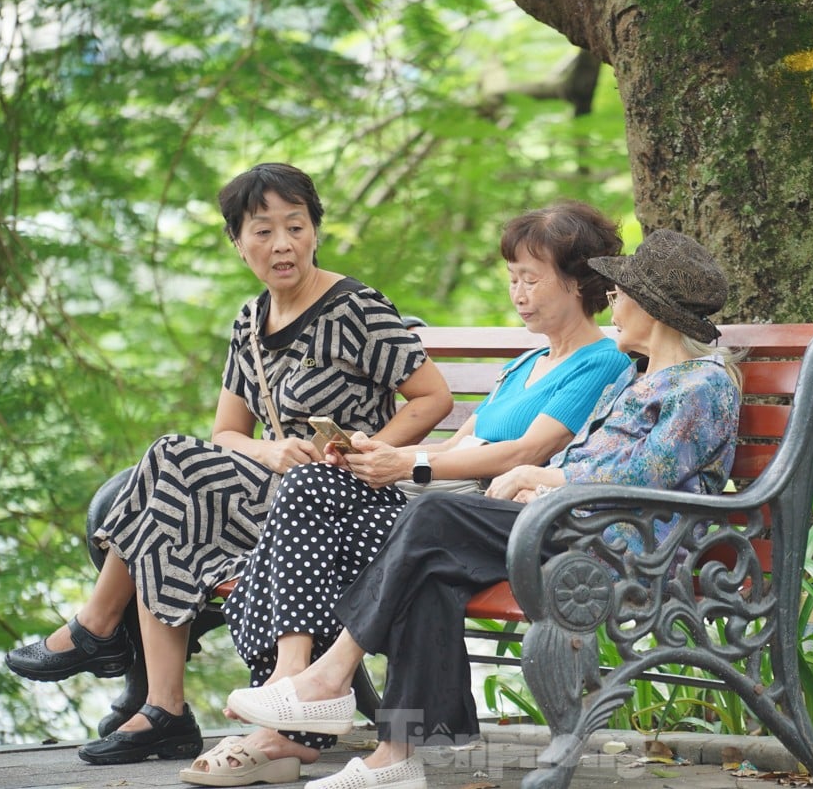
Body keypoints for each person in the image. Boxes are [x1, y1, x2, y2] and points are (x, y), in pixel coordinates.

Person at [220, 228, 743, 789]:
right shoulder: (638, 381)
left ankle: (329, 677)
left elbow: (645, 473)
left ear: (653, 310)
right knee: (433, 569)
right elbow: (589, 460)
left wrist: (541, 475)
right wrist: (538, 485)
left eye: (621, 294)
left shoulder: (703, 384)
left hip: (624, 541)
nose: (611, 302)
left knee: (430, 520)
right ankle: (395, 758)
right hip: (570, 520)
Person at [4, 163, 454, 765]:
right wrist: (268, 448)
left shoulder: (356, 308)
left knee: (169, 468)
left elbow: (433, 397)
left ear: (315, 232)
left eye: (295, 227)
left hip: (345, 499)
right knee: (170, 477)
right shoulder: (248, 323)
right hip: (271, 491)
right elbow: (226, 434)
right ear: (239, 244)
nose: (282, 244)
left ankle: (103, 637)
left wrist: (371, 452)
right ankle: (157, 702)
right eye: (262, 231)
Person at [178, 201, 632, 786]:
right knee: (319, 482)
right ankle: (334, 714)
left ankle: (310, 702)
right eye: (512, 277)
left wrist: (409, 468)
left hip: (502, 520)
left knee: (413, 546)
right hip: (446, 515)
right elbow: (456, 447)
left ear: (578, 282)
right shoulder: (525, 365)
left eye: (531, 278)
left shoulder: (599, 361)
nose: (518, 292)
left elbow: (525, 454)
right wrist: (381, 458)